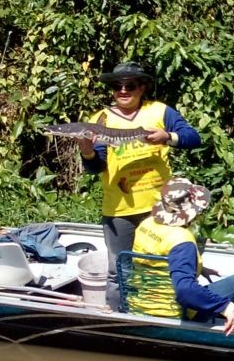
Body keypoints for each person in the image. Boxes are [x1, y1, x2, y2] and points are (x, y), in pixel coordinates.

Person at [78, 61, 201, 308]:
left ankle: (160, 312)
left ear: (142, 87)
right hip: (119, 210)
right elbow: (96, 167)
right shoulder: (99, 119)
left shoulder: (159, 112)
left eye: (130, 85)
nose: (123, 91)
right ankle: (119, 317)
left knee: (160, 265)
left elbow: (193, 137)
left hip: (161, 207)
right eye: (117, 86)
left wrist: (168, 137)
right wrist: (87, 151)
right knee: (118, 271)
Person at [129, 177, 234, 334]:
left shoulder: (146, 225)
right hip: (172, 312)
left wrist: (199, 267)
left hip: (139, 306)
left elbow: (156, 259)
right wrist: (227, 308)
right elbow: (185, 291)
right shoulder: (181, 239)